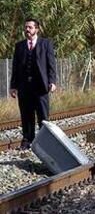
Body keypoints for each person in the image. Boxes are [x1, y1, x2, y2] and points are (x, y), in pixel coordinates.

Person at [10, 18, 57, 150]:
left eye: (30, 27)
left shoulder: (46, 44)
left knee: (43, 115)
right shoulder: (19, 46)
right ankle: (27, 140)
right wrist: (13, 86)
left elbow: (51, 64)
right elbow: (15, 67)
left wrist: (52, 81)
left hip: (40, 86)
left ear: (37, 29)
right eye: (26, 27)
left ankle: (45, 142)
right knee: (26, 114)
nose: (27, 30)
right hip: (24, 86)